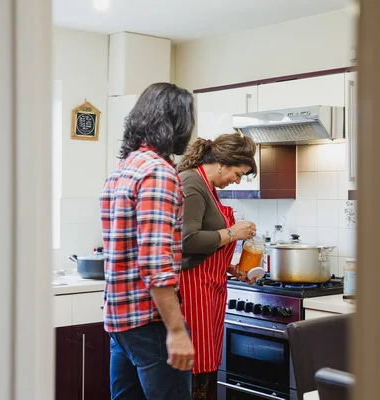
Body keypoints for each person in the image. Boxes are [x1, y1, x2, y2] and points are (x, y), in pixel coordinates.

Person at [99, 82, 196, 400]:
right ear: (179, 123)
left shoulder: (123, 169)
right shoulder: (159, 173)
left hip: (119, 320)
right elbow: (155, 260)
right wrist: (177, 329)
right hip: (148, 320)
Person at [176, 133, 259, 400]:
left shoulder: (208, 186)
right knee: (194, 364)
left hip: (209, 288)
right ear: (222, 163)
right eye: (238, 173)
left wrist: (230, 268)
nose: (237, 180)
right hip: (192, 289)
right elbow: (187, 240)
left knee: (205, 363)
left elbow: (207, 243)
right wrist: (232, 233)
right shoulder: (191, 182)